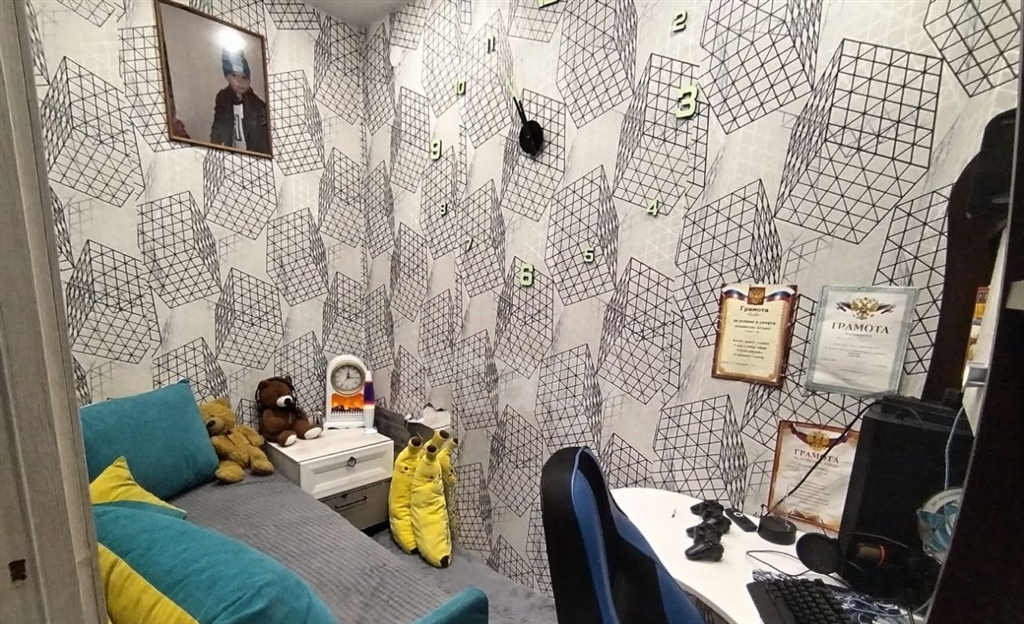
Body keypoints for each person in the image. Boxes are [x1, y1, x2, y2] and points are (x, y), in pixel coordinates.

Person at [210, 47, 270, 154]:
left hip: (251, 154)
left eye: (244, 77)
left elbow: (263, 138)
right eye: (234, 75)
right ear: (227, 77)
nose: (240, 81)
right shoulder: (222, 98)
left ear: (249, 80)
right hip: (230, 152)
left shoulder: (259, 106)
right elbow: (218, 127)